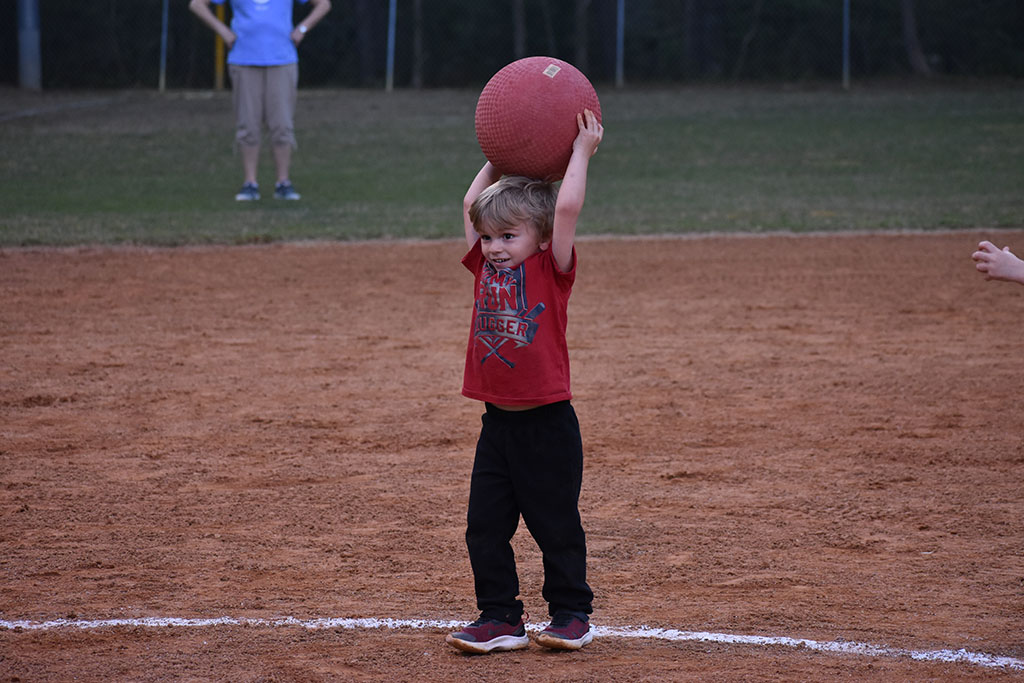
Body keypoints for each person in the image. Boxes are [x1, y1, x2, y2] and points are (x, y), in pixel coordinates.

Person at [446, 110, 604, 655]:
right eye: (489, 238)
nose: (493, 247)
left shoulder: (551, 268)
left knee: (554, 524)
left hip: (547, 425)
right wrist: (501, 153)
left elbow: (565, 206)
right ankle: (500, 618)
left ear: (539, 241)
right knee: (483, 527)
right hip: (497, 427)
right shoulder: (486, 269)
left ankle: (571, 614)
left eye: (508, 236)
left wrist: (578, 152)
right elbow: (471, 207)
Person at [188, 0, 331, 201]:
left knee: (282, 124)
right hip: (243, 60)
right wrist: (223, 31)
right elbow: (197, 4)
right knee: (248, 124)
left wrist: (302, 28)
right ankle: (250, 183)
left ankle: (283, 183)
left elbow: (323, 4)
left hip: (282, 60)